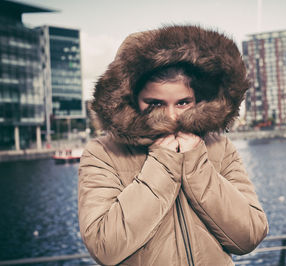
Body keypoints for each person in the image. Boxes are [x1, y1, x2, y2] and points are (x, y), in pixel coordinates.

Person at [78, 25, 268, 265]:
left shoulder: (219, 147)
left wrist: (197, 166)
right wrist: (163, 163)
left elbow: (249, 236)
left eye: (182, 103)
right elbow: (105, 247)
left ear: (198, 99)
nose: (172, 117)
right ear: (131, 99)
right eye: (156, 104)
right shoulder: (102, 154)